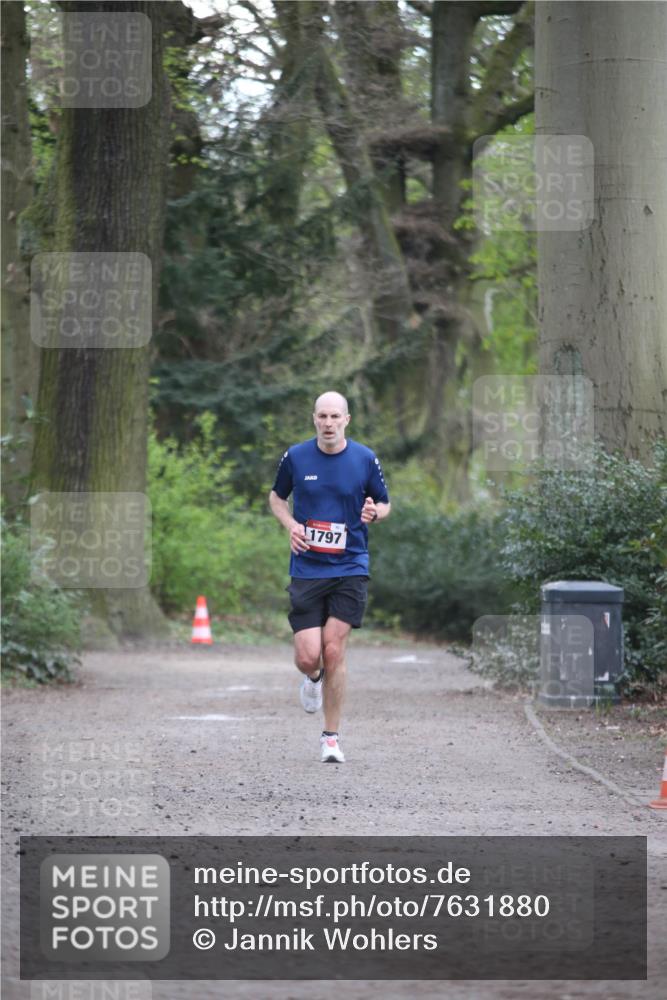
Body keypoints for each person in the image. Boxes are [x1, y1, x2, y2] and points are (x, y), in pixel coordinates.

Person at [269, 391, 391, 763]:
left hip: (350, 565)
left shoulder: (365, 458)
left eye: (335, 416)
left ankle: (331, 737)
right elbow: (276, 498)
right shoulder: (296, 456)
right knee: (309, 656)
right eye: (322, 416)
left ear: (346, 420)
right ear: (314, 419)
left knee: (334, 649)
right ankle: (312, 678)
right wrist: (290, 525)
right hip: (307, 567)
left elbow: (384, 502)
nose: (328, 423)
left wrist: (375, 513)